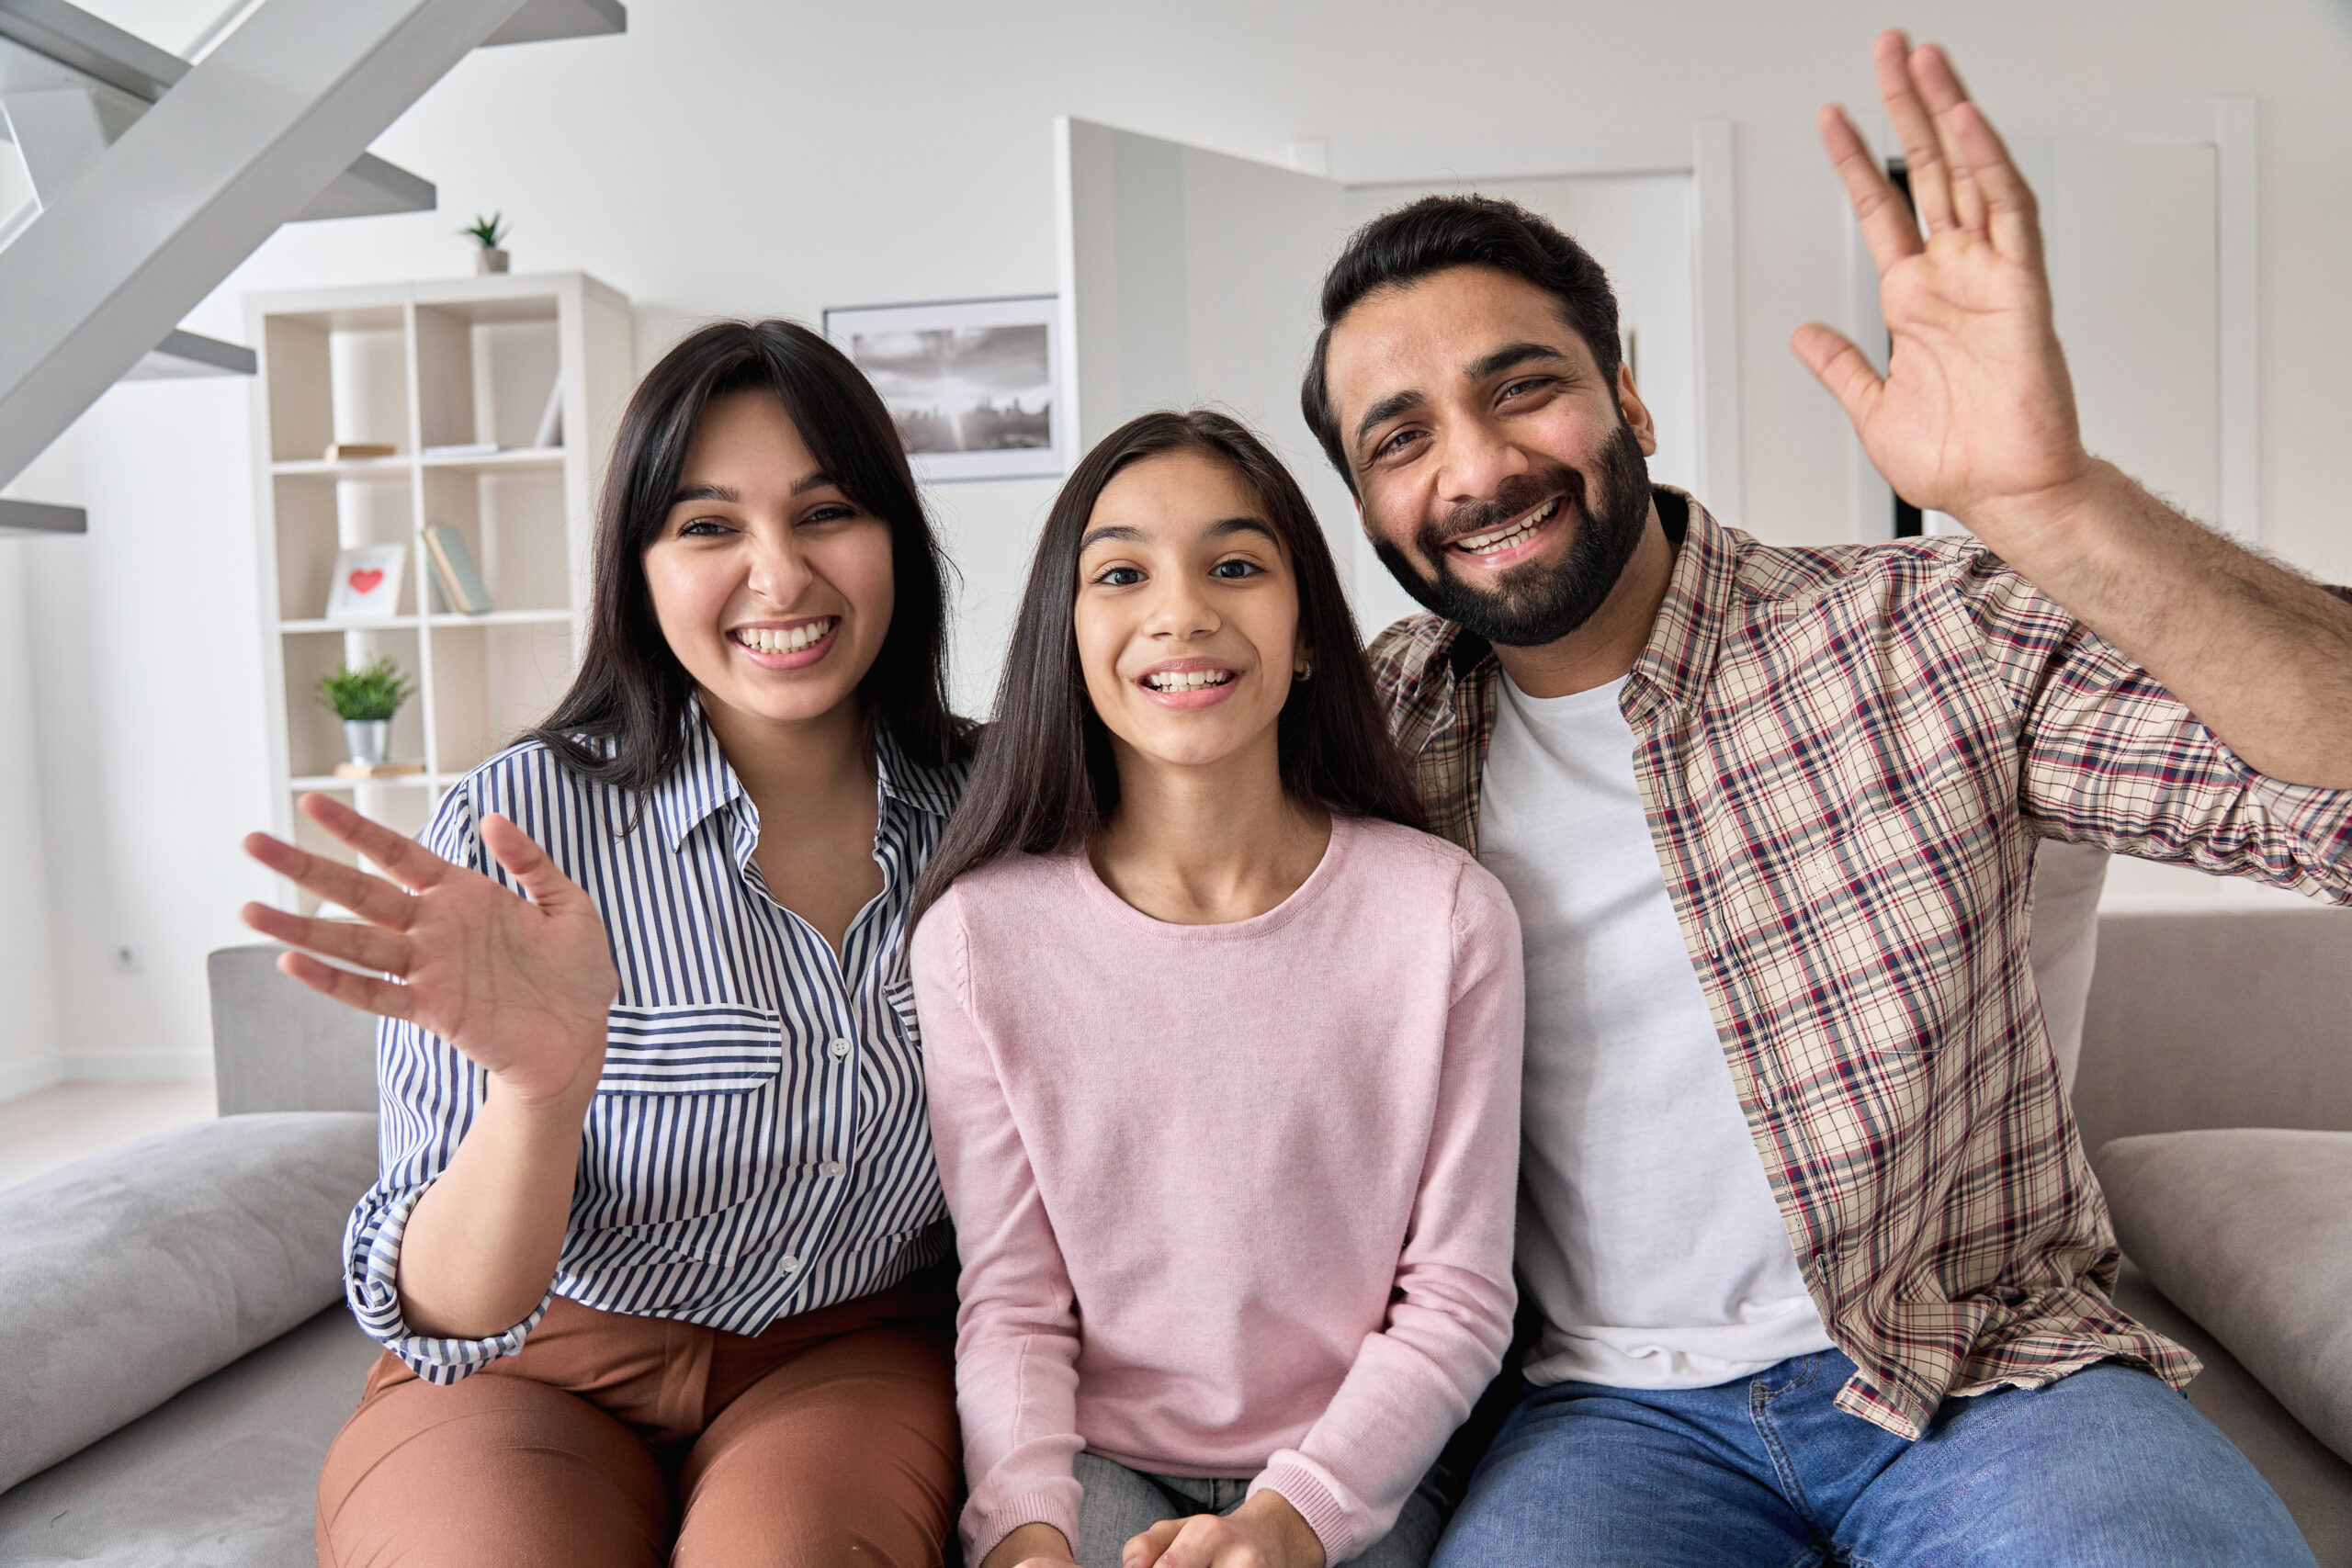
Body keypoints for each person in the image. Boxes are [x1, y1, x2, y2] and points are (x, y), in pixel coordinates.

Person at [1296, 30, 2352, 1568]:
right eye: (1400, 439)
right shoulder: (1368, 727)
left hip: (1990, 1372)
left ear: (1630, 398)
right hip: (1606, 1418)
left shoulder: (1928, 631)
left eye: (1520, 390)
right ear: (1368, 503)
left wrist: (2057, 506)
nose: (1473, 469)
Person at [239, 319, 974, 1567]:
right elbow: (446, 1310)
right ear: (636, 566)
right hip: (526, 1360)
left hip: (846, 1350)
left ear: (895, 535)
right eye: (707, 527)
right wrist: (540, 1087)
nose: (780, 576)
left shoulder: (999, 807)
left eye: (827, 511)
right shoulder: (518, 823)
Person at [910, 410, 1525, 1568]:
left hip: (1357, 1470)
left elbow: (1455, 1298)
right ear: (1070, 635)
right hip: (1091, 1466)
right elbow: (1013, 1305)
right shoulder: (977, 941)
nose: (1182, 610)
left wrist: (1287, 1523)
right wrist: (1023, 1532)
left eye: (1235, 566)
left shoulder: (1441, 916)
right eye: (1123, 573)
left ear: (1302, 636)